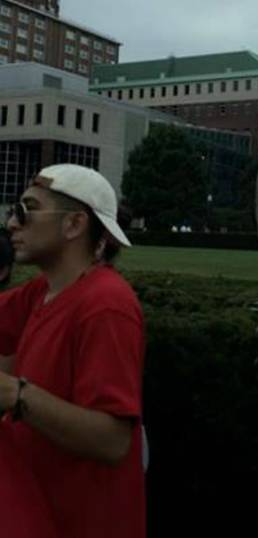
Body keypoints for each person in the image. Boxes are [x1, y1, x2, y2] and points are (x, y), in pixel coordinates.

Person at [0, 164, 144, 538]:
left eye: (26, 210)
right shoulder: (41, 292)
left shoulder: (107, 304)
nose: (12, 223)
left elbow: (113, 440)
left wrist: (14, 394)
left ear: (74, 225)